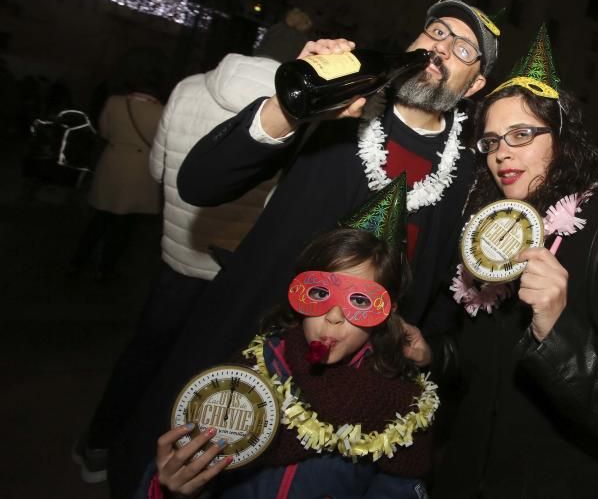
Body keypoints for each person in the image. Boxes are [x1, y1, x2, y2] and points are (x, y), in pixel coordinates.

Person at [108, 0, 498, 497]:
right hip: (245, 351)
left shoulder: (468, 176)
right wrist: (287, 107)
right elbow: (200, 184)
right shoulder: (337, 104)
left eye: (464, 50)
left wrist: (430, 353)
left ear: (477, 84)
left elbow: (447, 299)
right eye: (437, 32)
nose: (442, 48)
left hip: (352, 395)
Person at [411, 26, 598, 497]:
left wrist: (559, 333)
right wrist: (431, 352)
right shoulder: (493, 232)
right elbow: (486, 360)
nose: (502, 154)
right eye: (492, 141)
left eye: (521, 134)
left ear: (562, 139)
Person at [137, 178, 437, 498]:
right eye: (320, 293)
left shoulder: (401, 404)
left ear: (387, 312)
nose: (333, 316)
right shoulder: (249, 375)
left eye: (359, 301)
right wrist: (171, 490)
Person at [73, 52, 281, 483]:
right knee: (199, 376)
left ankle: (98, 446)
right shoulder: (290, 111)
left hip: (176, 258)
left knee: (143, 355)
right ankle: (161, 469)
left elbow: (158, 168)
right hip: (231, 273)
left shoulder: (187, 88)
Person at [69, 52, 164, 280]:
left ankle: (77, 262)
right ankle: (106, 268)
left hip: (112, 163)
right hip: (140, 170)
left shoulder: (114, 102)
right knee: (125, 225)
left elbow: (104, 132)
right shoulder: (162, 111)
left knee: (100, 218)